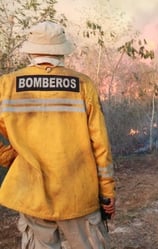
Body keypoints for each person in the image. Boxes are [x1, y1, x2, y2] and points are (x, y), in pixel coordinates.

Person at [0, 21, 116, 248]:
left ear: (31, 50)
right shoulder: (83, 85)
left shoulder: (6, 86)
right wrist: (107, 191)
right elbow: (100, 144)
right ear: (62, 51)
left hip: (32, 192)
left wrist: (9, 156)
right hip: (77, 192)